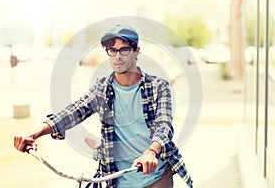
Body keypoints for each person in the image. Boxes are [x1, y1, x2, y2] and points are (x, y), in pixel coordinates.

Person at [14, 24, 193, 188]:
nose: (118, 56)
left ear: (136, 51)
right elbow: (73, 112)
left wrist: (151, 152)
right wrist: (34, 134)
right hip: (119, 179)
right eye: (112, 51)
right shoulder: (102, 89)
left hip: (157, 177)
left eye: (124, 50)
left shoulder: (158, 87)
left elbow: (164, 125)